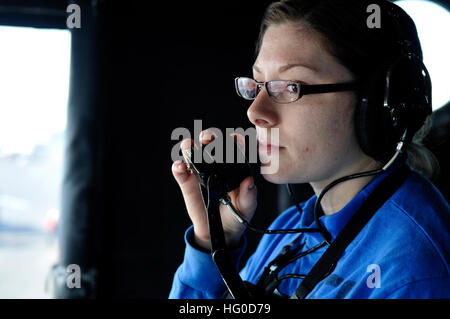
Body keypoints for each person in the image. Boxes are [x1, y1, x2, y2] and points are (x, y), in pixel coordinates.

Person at [169, 0, 450, 299]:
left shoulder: (415, 273)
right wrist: (214, 242)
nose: (255, 111)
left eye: (291, 86)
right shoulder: (292, 230)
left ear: (378, 101)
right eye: (259, 84)